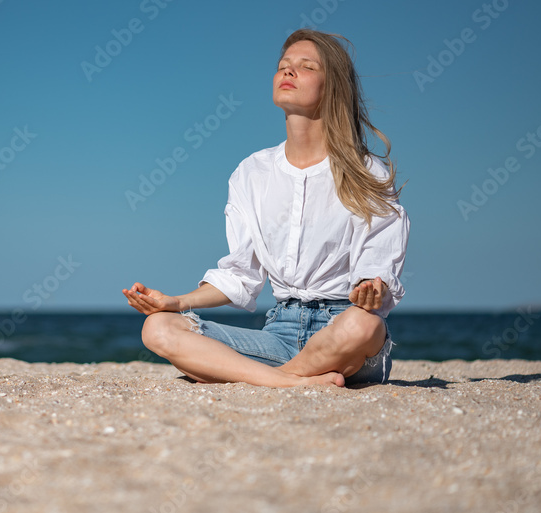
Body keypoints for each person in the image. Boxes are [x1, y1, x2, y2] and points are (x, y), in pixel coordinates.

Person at [123, 29, 409, 387]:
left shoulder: (366, 171)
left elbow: (378, 267)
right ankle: (293, 381)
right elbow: (242, 275)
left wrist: (373, 288)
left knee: (364, 324)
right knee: (159, 327)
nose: (288, 72)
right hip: (279, 333)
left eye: (305, 66)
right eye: (283, 65)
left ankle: (259, 378)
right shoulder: (251, 173)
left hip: (344, 332)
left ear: (333, 86)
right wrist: (175, 302)